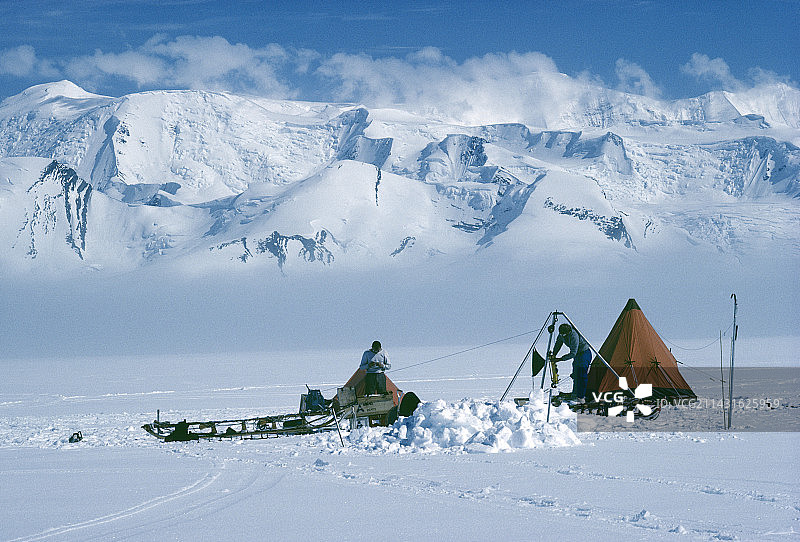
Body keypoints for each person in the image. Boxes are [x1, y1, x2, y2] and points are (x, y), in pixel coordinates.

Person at [551, 323, 591, 403]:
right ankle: (575, 394)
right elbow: (558, 343)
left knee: (581, 375)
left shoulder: (574, 336)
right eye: (561, 334)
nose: (563, 336)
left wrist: (561, 359)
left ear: (568, 332)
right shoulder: (561, 335)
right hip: (577, 356)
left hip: (584, 354)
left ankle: (581, 397)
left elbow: (573, 353)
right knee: (575, 375)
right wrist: (554, 354)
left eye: (564, 334)